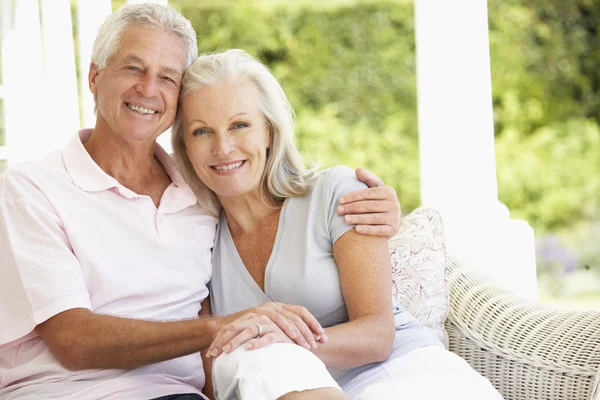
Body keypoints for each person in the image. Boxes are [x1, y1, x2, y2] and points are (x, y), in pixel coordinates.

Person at [0, 4, 401, 400]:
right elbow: (74, 341)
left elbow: (269, 195)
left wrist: (378, 205)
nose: (148, 89)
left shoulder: (200, 196)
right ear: (94, 75)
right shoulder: (31, 189)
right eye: (133, 68)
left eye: (168, 77)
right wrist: (220, 329)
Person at [171, 49, 505, 400]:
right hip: (290, 389)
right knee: (254, 355)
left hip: (402, 374)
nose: (223, 147)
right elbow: (212, 371)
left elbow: (377, 336)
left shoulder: (338, 193)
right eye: (201, 131)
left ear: (269, 132)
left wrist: (282, 340)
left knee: (262, 349)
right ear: (185, 147)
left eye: (240, 125)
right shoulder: (199, 243)